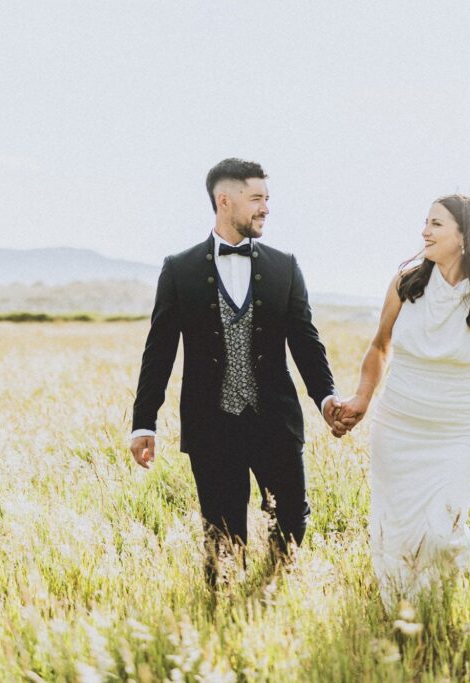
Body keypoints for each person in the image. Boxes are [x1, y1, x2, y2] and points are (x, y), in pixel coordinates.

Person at [129, 158, 347, 584]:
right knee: (222, 534)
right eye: (256, 199)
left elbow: (306, 340)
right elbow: (158, 352)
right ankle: (224, 616)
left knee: (290, 517)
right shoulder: (180, 269)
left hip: (276, 424)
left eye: (267, 199)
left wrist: (325, 398)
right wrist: (144, 423)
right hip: (212, 426)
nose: (266, 208)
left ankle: (276, 595)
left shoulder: (285, 266)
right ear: (224, 200)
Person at [337, 194, 470, 602]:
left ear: (465, 236)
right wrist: (362, 399)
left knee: (442, 532)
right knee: (395, 530)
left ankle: (442, 608)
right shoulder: (406, 284)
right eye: (426, 222)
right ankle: (400, 615)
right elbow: (379, 347)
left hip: (454, 436)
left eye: (436, 224)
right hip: (396, 430)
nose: (424, 231)